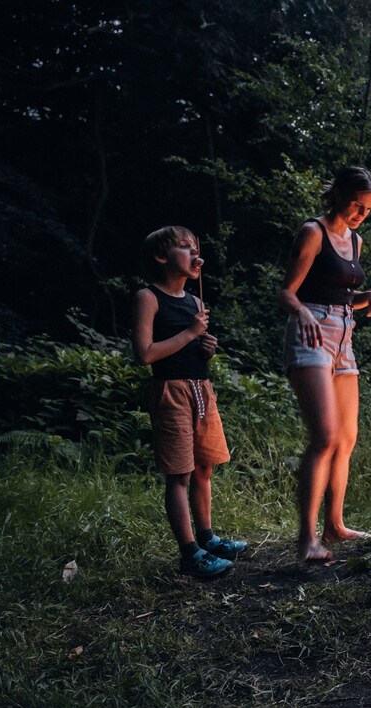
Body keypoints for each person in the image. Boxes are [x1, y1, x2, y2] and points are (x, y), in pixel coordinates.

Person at [278, 166, 371, 561]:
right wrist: (303, 313)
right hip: (312, 334)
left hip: (345, 337)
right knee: (324, 437)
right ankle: (307, 540)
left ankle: (335, 526)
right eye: (357, 204)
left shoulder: (355, 242)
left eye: (368, 209)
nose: (361, 213)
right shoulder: (313, 232)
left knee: (346, 439)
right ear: (339, 193)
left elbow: (344, 296)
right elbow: (287, 292)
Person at [132, 226, 248, 578]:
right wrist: (190, 334)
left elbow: (191, 349)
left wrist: (205, 349)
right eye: (185, 248)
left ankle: (207, 538)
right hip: (171, 392)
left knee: (203, 468)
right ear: (162, 257)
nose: (195, 254)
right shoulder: (148, 297)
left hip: (202, 390)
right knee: (179, 473)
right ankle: (189, 553)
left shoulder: (196, 302)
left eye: (196, 247)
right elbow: (145, 355)